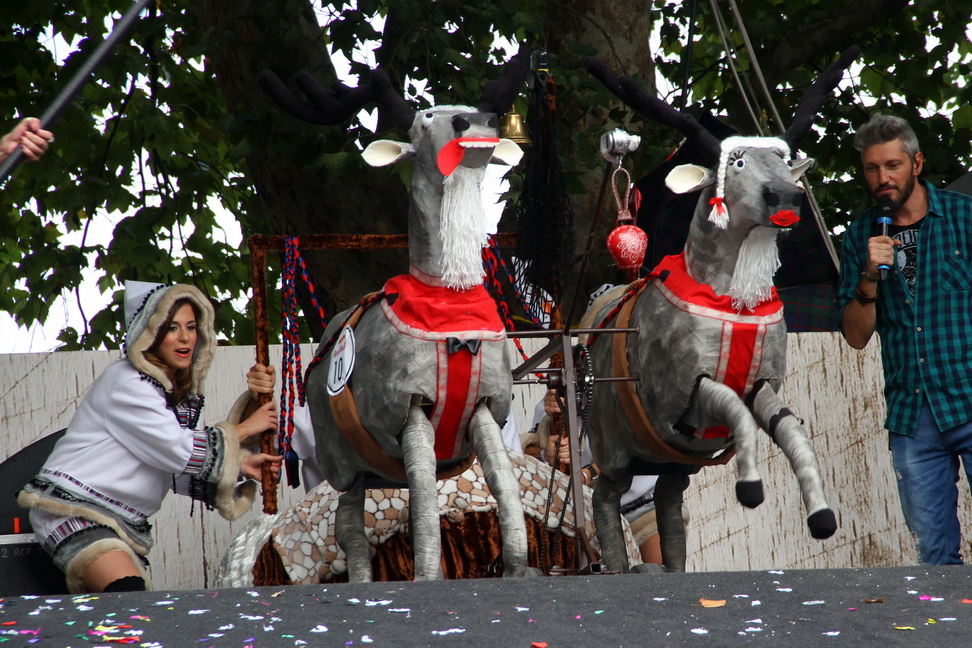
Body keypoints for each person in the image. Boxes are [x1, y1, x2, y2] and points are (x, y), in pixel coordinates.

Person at [18, 281, 281, 593]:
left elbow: (173, 470)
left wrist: (240, 467)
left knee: (121, 614)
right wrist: (248, 427)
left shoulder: (167, 395)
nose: (185, 337)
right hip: (74, 511)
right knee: (129, 596)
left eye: (192, 327)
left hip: (118, 524)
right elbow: (177, 449)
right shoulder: (127, 381)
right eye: (171, 327)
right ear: (150, 334)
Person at [838, 113, 972, 565]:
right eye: (872, 168)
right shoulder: (859, 236)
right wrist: (869, 277)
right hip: (913, 416)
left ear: (916, 163)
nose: (883, 178)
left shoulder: (963, 217)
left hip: (969, 397)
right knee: (934, 557)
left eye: (892, 166)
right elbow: (856, 336)